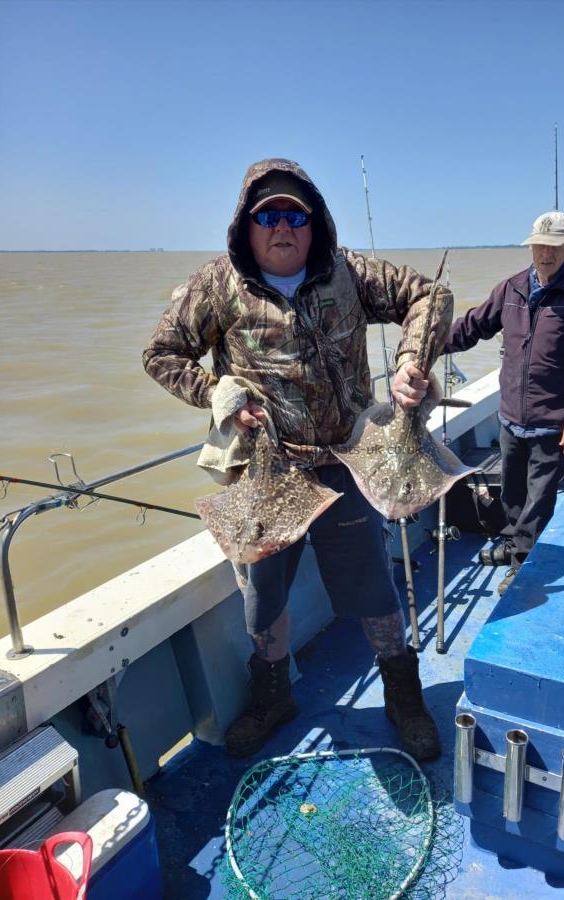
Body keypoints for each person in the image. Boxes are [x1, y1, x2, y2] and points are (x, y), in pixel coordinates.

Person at [143, 158, 452, 760]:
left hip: (347, 460)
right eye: (267, 215)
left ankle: (403, 693)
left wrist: (413, 361)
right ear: (246, 225)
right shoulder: (216, 286)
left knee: (375, 591)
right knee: (262, 598)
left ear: (314, 223)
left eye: (294, 214)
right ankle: (273, 695)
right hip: (265, 471)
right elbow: (159, 353)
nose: (281, 226)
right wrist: (216, 394)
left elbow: (429, 294)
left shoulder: (347, 272)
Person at [436, 211, 564, 594]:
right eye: (539, 245)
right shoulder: (512, 288)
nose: (545, 254)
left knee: (538, 498)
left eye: (554, 247)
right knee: (512, 492)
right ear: (529, 244)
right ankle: (514, 543)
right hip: (511, 415)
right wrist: (432, 341)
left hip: (554, 420)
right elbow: (474, 326)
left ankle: (521, 563)